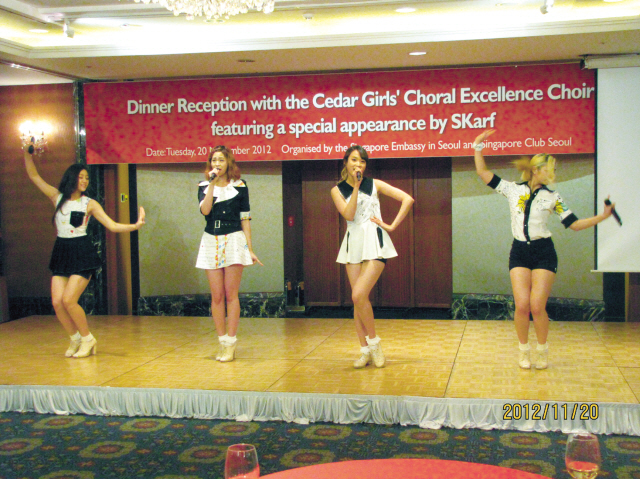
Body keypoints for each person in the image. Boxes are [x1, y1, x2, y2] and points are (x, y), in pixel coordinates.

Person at [471, 129, 614, 369]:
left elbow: (575, 224)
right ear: (537, 170)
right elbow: (483, 172)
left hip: (544, 252)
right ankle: (523, 350)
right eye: (551, 168)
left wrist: (603, 216)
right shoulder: (512, 189)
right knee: (522, 305)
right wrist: (477, 146)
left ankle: (542, 349)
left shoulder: (553, 197)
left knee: (537, 306)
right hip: (519, 251)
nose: (554, 173)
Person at [23, 144, 145, 358]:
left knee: (70, 300)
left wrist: (135, 225)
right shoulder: (56, 197)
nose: (85, 181)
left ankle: (88, 339)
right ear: (71, 178)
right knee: (57, 302)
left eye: (87, 178)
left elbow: (113, 225)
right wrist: (27, 153)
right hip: (62, 250)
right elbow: (34, 176)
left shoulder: (89, 203)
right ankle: (75, 338)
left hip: (82, 252)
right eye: (81, 177)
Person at [331, 145, 414, 369]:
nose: (359, 165)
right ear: (346, 162)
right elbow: (348, 214)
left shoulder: (375, 184)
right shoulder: (337, 190)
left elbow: (407, 199)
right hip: (353, 245)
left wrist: (392, 225)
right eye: (355, 160)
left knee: (359, 294)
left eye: (363, 161)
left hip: (375, 242)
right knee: (357, 300)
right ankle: (364, 350)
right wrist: (356, 187)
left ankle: (375, 344)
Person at [196, 146, 262, 363]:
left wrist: (249, 249)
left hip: (234, 238)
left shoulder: (241, 187)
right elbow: (205, 211)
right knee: (216, 295)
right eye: (214, 160)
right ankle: (221, 341)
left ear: (229, 163)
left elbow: (245, 219)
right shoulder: (204, 186)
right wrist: (212, 185)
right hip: (210, 238)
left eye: (221, 160)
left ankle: (231, 343)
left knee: (231, 294)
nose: (217, 164)